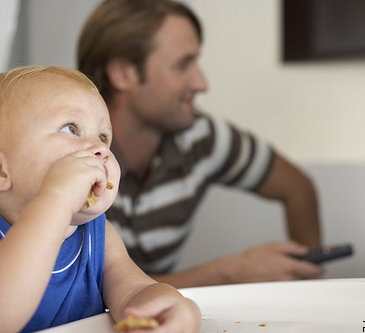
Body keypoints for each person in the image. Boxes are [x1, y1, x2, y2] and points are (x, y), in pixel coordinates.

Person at [77, 0, 324, 288]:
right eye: (184, 64)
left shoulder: (200, 136)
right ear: (123, 73)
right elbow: (87, 294)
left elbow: (298, 188)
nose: (201, 83)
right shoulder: (67, 155)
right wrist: (226, 274)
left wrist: (309, 291)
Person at [0, 65, 201, 333]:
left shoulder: (99, 236)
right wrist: (56, 199)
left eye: (104, 137)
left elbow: (135, 293)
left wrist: (172, 306)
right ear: (2, 171)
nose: (100, 150)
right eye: (71, 129)